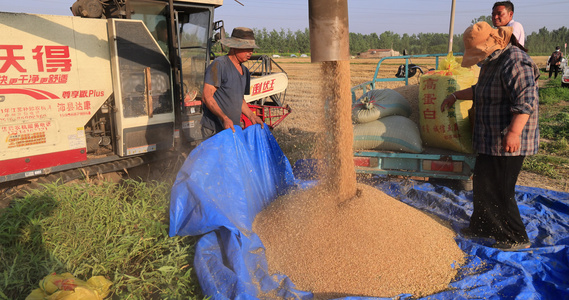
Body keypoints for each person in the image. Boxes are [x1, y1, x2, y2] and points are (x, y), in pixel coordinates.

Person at [440, 22, 539, 251]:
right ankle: (482, 226)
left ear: (491, 45)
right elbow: (480, 89)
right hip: (489, 138)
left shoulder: (514, 60)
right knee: (483, 185)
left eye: (478, 55)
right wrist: (456, 95)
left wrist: (514, 133)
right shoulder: (491, 62)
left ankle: (515, 237)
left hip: (508, 140)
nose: (478, 60)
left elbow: (526, 101)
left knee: (500, 189)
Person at [200, 27, 264, 139]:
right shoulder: (219, 65)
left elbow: (240, 100)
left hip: (233, 128)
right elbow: (206, 96)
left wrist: (251, 116)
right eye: (246, 48)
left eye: (252, 49)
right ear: (234, 47)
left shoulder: (245, 72)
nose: (250, 52)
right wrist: (224, 118)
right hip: (215, 129)